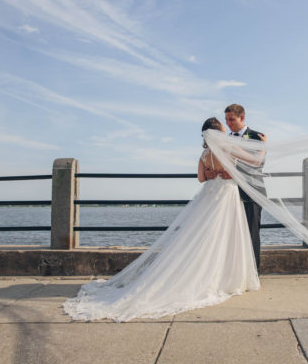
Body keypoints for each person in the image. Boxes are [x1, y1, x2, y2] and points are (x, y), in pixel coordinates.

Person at [62, 117, 260, 322]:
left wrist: (213, 172)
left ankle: (204, 275)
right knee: (225, 236)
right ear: (219, 132)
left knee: (201, 238)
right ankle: (226, 279)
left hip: (209, 195)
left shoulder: (204, 154)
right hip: (226, 194)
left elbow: (201, 178)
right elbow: (253, 162)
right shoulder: (227, 149)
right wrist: (261, 148)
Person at [224, 104, 266, 270]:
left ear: (242, 118)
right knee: (232, 234)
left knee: (252, 234)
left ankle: (253, 273)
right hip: (230, 192)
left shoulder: (257, 136)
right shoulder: (226, 139)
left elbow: (258, 164)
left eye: (231, 119)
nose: (228, 123)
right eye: (226, 119)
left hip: (252, 192)